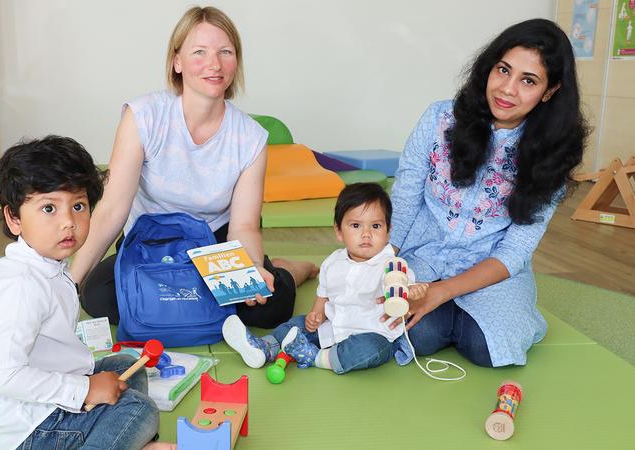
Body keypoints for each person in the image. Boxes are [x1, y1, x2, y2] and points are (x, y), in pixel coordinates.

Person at [72, 6, 316, 329]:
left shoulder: (251, 137)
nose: (214, 64)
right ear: (177, 62)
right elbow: (112, 210)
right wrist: (67, 284)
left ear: (235, 62)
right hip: (151, 243)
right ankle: (196, 300)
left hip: (214, 243)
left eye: (225, 52)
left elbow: (243, 225)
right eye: (199, 52)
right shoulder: (143, 116)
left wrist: (254, 267)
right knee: (97, 297)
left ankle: (289, 269)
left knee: (270, 308)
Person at [385, 19, 587, 368]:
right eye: (503, 70)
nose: (507, 89)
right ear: (489, 67)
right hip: (422, 254)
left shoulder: (553, 153)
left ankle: (466, 310)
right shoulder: (439, 118)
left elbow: (516, 249)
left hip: (489, 269)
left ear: (550, 91)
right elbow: (405, 196)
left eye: (528, 81)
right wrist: (384, 265)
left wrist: (441, 291)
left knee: (486, 349)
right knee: (411, 332)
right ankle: (445, 316)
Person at [0, 136, 172, 450]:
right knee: (140, 409)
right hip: (28, 428)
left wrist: (87, 385)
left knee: (123, 367)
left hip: (51, 394)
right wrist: (85, 388)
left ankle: (123, 439)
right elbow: (5, 376)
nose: (68, 223)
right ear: (13, 218)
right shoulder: (20, 285)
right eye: (49, 208)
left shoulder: (48, 263)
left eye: (78, 206)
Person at [222, 183, 427, 374]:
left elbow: (400, 288)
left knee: (373, 350)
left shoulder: (391, 264)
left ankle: (315, 357)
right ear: (338, 231)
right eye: (356, 226)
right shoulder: (333, 262)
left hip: (372, 333)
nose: (366, 234)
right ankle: (265, 347)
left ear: (388, 231)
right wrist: (316, 314)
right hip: (333, 326)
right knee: (298, 324)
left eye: (375, 226)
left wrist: (413, 292)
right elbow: (324, 294)